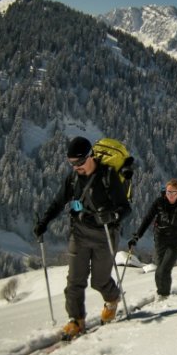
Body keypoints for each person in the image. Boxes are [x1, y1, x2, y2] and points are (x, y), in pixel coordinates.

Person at [33, 136, 131, 339]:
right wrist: (44, 222)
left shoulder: (108, 176)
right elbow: (58, 202)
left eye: (78, 162)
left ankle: (112, 300)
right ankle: (76, 321)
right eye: (71, 163)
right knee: (74, 281)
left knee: (100, 280)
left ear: (90, 156)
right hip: (79, 232)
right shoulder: (73, 179)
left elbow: (125, 208)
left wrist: (113, 215)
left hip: (105, 235)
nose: (76, 167)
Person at [128, 178, 177, 298]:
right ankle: (162, 291)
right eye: (168, 192)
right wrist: (137, 236)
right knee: (159, 270)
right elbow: (147, 219)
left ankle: (163, 294)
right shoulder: (159, 203)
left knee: (164, 269)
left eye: (173, 193)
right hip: (160, 238)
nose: (170, 195)